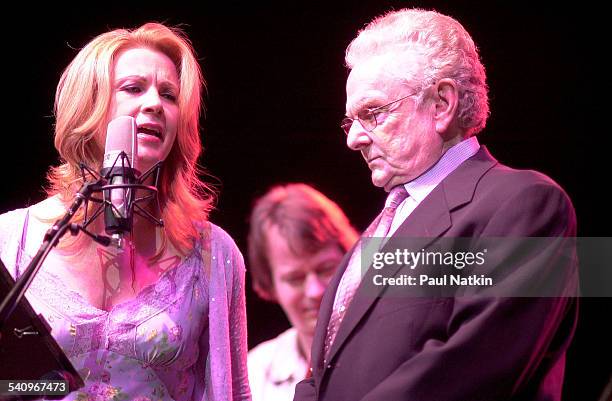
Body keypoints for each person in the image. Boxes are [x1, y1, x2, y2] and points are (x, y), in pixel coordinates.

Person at [294, 8, 578, 401]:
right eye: (350, 121)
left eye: (372, 113)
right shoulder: (379, 230)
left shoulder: (527, 203)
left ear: (442, 104)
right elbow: (321, 376)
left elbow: (475, 366)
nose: (353, 139)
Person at [0, 23, 251, 401]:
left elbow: (233, 391)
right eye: (134, 88)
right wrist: (53, 386)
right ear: (90, 106)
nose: (155, 103)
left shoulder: (214, 255)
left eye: (169, 95)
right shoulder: (10, 240)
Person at [246, 183, 358, 401]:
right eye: (295, 279)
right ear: (268, 286)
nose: (315, 291)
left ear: (352, 260)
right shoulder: (254, 374)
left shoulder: (394, 346)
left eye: (326, 269)